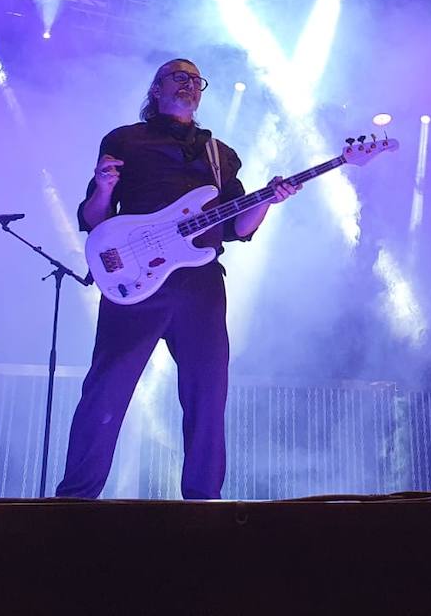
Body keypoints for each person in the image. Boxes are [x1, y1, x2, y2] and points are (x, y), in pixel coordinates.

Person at [56, 58, 299, 499]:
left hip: (201, 285)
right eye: (179, 77)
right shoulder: (125, 139)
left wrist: (268, 199)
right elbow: (93, 218)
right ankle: (74, 499)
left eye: (196, 80)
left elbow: (238, 228)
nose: (190, 84)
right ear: (156, 89)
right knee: (107, 388)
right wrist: (105, 187)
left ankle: (204, 503)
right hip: (135, 282)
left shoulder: (220, 155)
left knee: (208, 393)